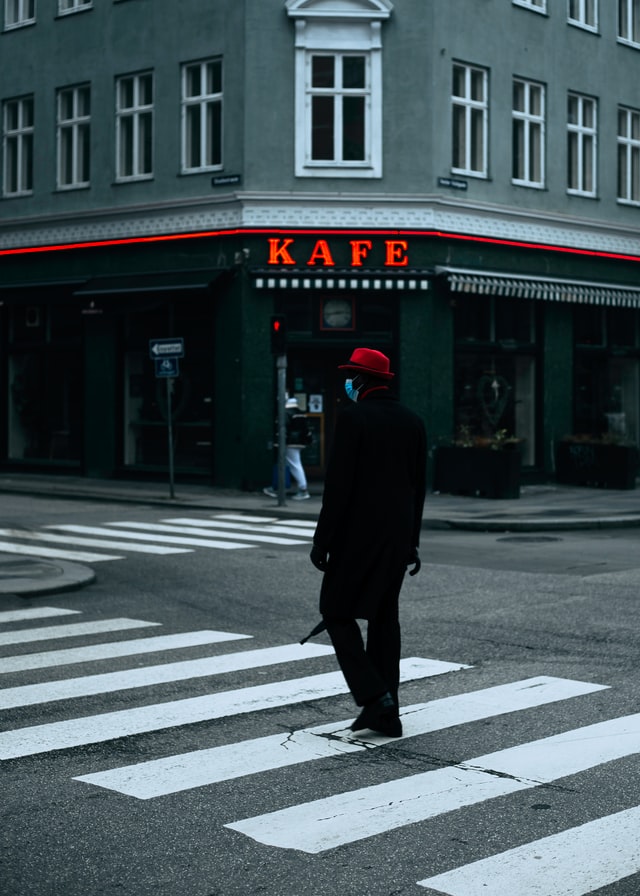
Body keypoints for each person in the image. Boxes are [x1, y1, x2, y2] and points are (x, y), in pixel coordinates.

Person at [308, 348, 427, 737]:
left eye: (350, 378)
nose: (347, 385)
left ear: (361, 380)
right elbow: (418, 489)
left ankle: (374, 696)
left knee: (335, 611)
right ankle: (388, 716)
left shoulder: (354, 417)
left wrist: (322, 540)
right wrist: (412, 542)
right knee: (383, 619)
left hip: (356, 538)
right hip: (395, 539)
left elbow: (338, 486)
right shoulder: (413, 421)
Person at [263, 396, 312, 501]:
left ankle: (303, 489)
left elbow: (282, 428)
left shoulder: (286, 412)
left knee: (294, 464)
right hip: (299, 442)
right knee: (287, 464)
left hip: (290, 442)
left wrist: (280, 443)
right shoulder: (300, 412)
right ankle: (278, 487)